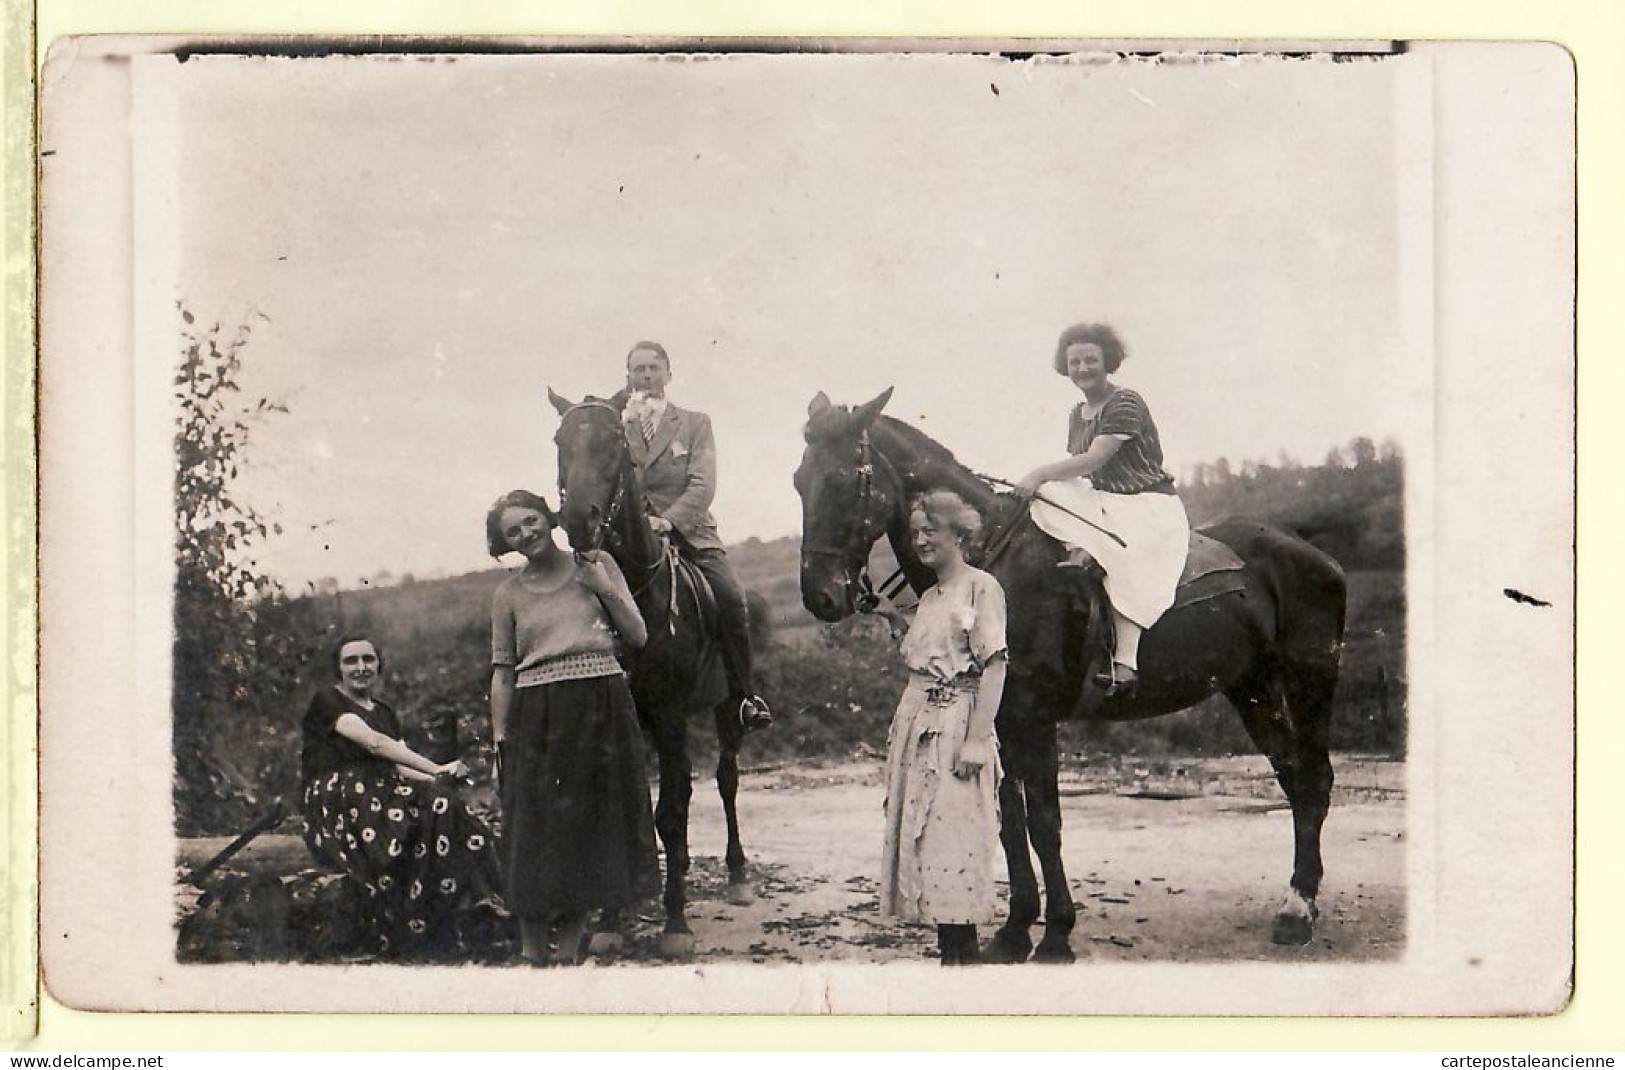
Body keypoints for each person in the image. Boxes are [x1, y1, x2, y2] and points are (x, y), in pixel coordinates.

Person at [485, 489, 660, 965]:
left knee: (591, 822)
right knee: (534, 824)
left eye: (530, 520)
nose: (526, 533)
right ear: (506, 544)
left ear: (549, 517)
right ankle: (532, 945)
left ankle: (571, 943)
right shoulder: (508, 594)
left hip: (602, 703)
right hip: (537, 713)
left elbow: (638, 636)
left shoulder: (596, 563)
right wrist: (500, 736)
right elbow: (502, 671)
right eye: (513, 531)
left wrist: (601, 585)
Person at [1014, 322, 1191, 695]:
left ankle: (1126, 660)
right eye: (1074, 361)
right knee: (1048, 496)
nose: (1082, 368)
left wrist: (1039, 472)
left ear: (1107, 361)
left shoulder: (1125, 402)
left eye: (1090, 359)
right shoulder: (1076, 413)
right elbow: (1077, 474)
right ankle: (1081, 550)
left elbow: (1093, 460)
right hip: (1105, 500)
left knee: (1126, 564)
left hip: (1146, 503)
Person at [299, 635, 502, 958]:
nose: (361, 667)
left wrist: (440, 778)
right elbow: (374, 744)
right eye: (351, 661)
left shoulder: (384, 712)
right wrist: (437, 769)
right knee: (421, 817)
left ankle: (469, 908)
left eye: (368, 659)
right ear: (338, 669)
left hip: (382, 790)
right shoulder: (328, 701)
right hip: (339, 797)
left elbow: (399, 764)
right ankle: (461, 907)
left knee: (443, 804)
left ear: (379, 665)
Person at [879, 489, 1008, 965]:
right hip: (919, 723)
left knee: (956, 838)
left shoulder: (981, 588)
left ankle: (964, 957)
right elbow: (928, 654)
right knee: (929, 839)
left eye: (930, 531)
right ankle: (948, 955)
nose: (920, 541)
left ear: (959, 533)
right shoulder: (932, 596)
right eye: (915, 533)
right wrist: (893, 618)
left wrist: (976, 739)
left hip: (955, 725)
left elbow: (994, 666)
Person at [615, 340, 772, 730]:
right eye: (639, 369)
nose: (647, 376)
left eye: (654, 368)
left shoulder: (695, 423)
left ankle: (743, 696)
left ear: (669, 373)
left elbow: (702, 484)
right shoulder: (617, 427)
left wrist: (668, 521)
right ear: (629, 377)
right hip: (634, 541)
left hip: (691, 534)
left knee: (731, 598)